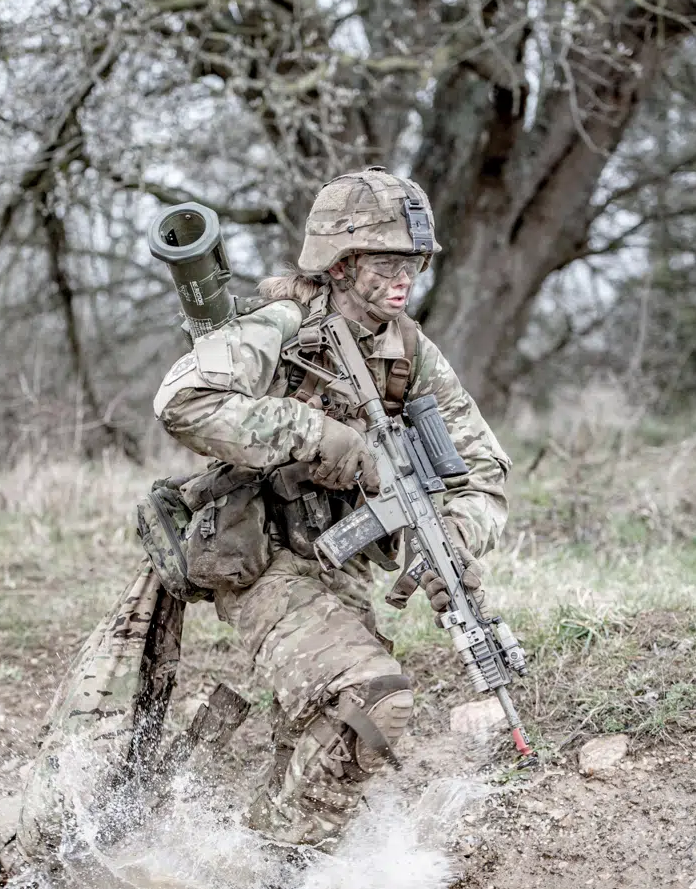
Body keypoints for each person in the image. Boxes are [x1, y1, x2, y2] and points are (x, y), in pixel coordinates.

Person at [151, 166, 511, 848]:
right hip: (261, 556)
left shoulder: (407, 351)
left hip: (338, 566)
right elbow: (183, 402)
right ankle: (282, 859)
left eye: (415, 262)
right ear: (340, 263)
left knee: (322, 734)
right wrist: (316, 435)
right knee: (375, 700)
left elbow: (484, 470)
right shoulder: (282, 324)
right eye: (387, 262)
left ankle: (249, 848)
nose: (406, 278)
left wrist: (455, 534)